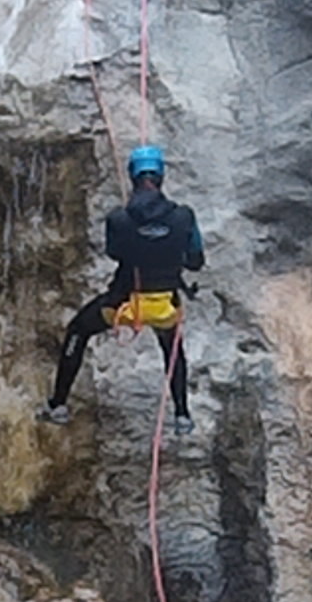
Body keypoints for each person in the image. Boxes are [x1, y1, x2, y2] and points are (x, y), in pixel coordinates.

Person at [45, 141, 201, 424]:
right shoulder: (184, 217)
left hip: (122, 304)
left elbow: (114, 252)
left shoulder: (119, 219)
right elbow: (195, 261)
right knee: (173, 349)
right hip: (164, 304)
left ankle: (57, 405)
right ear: (162, 176)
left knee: (78, 331)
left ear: (131, 176)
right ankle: (182, 414)